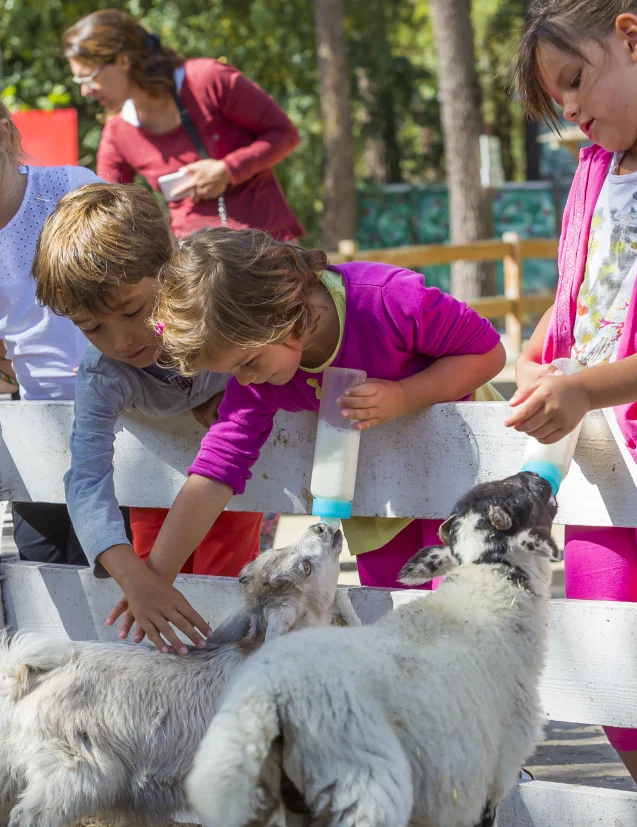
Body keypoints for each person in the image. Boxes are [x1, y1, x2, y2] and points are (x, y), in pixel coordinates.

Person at [103, 226, 505, 652]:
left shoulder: (387, 300)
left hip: (464, 483)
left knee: (466, 629)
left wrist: (405, 395)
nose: (245, 380)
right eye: (233, 371)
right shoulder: (257, 376)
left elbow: (487, 352)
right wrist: (155, 578)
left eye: (248, 362)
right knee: (398, 637)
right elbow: (215, 471)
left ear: (283, 315)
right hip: (380, 509)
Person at [32, 182, 263, 650]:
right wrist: (132, 576)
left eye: (133, 310)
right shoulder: (104, 376)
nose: (121, 342)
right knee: (154, 623)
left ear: (171, 268)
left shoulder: (221, 309)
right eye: (91, 327)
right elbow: (86, 479)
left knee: (224, 607)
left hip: (230, 493)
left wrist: (236, 387)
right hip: (152, 497)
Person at [513, 0, 637, 786]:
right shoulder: (594, 172)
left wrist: (587, 386)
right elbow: (582, 296)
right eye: (559, 105)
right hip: (604, 454)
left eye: (575, 81)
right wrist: (538, 355)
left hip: (614, 413)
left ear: (631, 35)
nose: (573, 113)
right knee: (607, 666)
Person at [62, 8, 303, 241]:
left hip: (269, 249)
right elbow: (109, 211)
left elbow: (285, 134)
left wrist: (228, 170)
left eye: (88, 77)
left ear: (123, 60)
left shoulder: (208, 80)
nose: (84, 91)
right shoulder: (116, 133)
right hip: (198, 266)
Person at [0, 98, 102, 565]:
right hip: (34, 419)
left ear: (4, 135)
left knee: (104, 560)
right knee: (40, 562)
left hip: (115, 409)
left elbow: (145, 281)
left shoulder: (69, 189)